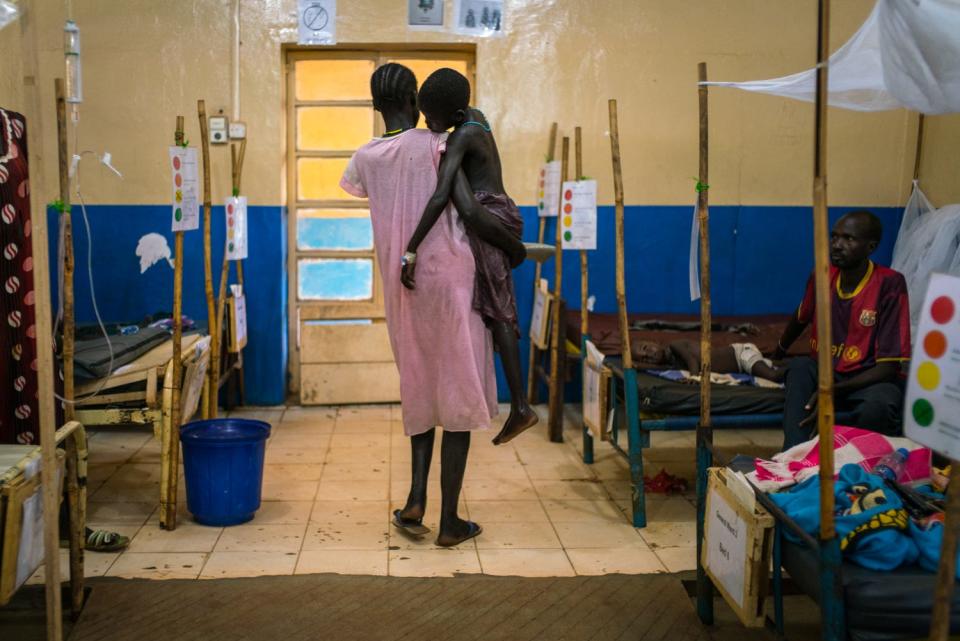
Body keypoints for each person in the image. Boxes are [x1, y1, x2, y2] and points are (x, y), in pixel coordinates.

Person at [340, 63, 502, 547]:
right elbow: (467, 205)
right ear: (415, 100)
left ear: (374, 106)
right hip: (451, 279)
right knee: (457, 392)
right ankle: (450, 521)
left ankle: (416, 500)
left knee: (420, 385)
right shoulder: (438, 146)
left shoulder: (364, 158)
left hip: (403, 286)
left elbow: (369, 187)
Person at [400, 67, 537, 446]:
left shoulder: (461, 135)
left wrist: (411, 246)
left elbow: (442, 195)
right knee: (499, 309)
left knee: (499, 311)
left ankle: (522, 407)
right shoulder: (477, 117)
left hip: (492, 218)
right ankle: (520, 405)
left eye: (432, 119)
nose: (429, 124)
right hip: (503, 209)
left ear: (456, 118)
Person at [774, 211, 911, 450]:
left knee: (879, 406)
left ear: (871, 246)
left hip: (869, 378)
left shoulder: (890, 284)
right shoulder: (822, 276)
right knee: (798, 368)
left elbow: (888, 368)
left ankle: (862, 465)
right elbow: (801, 317)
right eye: (834, 236)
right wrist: (779, 351)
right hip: (829, 372)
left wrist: (831, 391)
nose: (837, 245)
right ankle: (793, 456)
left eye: (848, 239)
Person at [632, 339, 784, 382]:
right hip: (741, 367)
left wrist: (693, 377)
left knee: (774, 377)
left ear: (654, 342)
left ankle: (799, 369)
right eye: (645, 359)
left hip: (741, 355)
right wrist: (638, 365)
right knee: (769, 369)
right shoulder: (670, 365)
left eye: (646, 348)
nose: (649, 355)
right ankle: (779, 365)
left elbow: (693, 362)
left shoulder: (674, 345)